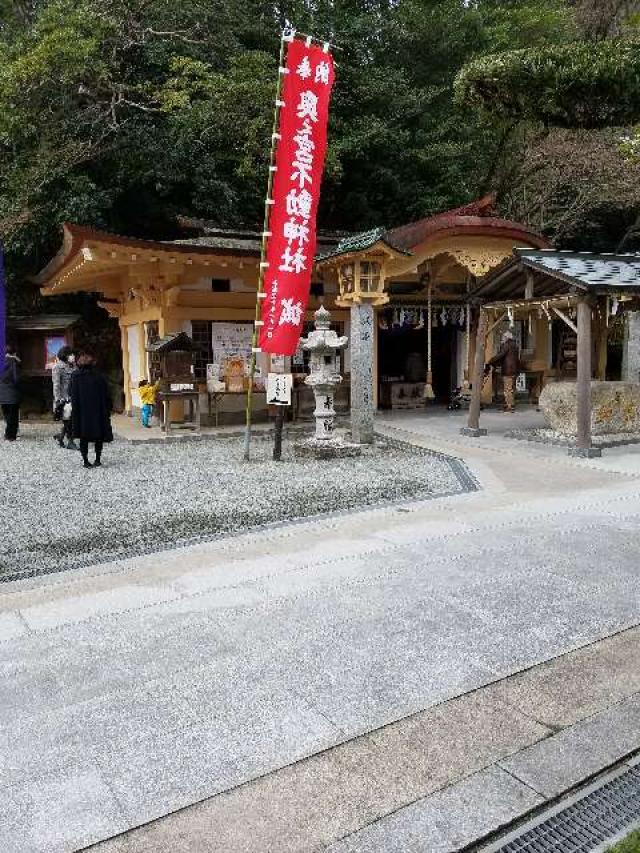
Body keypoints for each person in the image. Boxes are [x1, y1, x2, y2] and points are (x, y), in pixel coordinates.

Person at [71, 352, 113, 468]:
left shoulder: (75, 376)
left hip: (82, 411)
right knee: (98, 436)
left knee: (83, 437)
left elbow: (73, 395)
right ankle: (98, 459)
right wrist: (108, 408)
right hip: (98, 411)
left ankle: (85, 461)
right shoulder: (99, 377)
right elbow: (107, 395)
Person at [485, 330, 520, 413]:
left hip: (508, 370)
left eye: (503, 337)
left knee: (507, 388)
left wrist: (490, 361)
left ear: (506, 338)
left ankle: (509, 406)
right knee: (511, 388)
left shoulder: (506, 345)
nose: (502, 339)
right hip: (514, 369)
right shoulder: (515, 345)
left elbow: (500, 355)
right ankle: (510, 403)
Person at [52, 346, 77, 449]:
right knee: (68, 420)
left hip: (74, 396)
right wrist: (58, 399)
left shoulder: (74, 366)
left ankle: (60, 437)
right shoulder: (57, 367)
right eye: (71, 354)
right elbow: (56, 384)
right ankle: (70, 442)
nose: (73, 356)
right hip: (64, 398)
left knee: (71, 420)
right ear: (65, 355)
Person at [0, 344, 20, 441]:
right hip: (12, 393)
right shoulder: (14, 362)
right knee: (13, 416)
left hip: (2, 393)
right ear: (14, 353)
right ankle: (11, 435)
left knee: (7, 415)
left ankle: (8, 434)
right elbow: (16, 379)